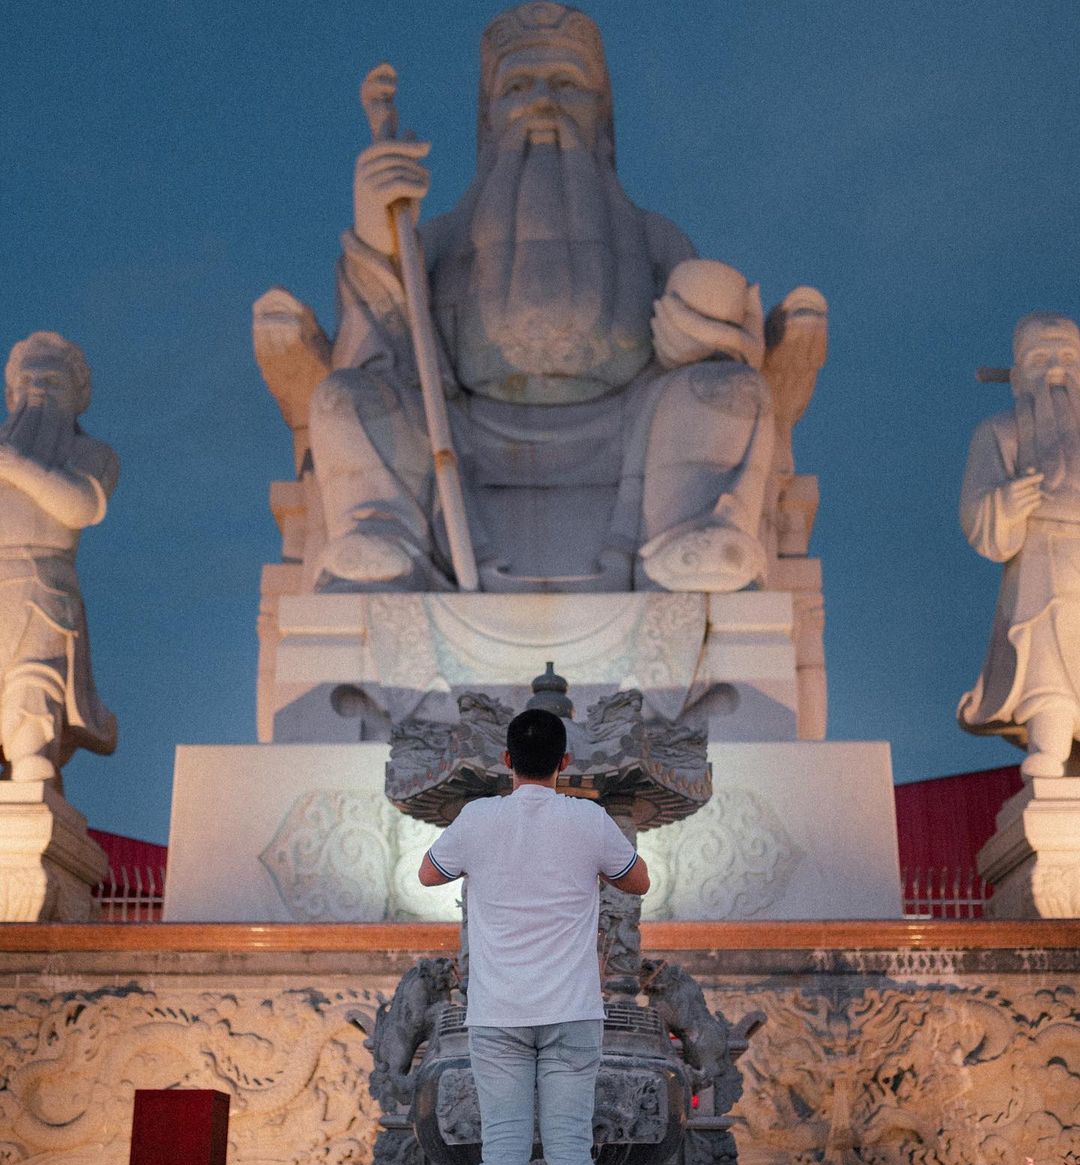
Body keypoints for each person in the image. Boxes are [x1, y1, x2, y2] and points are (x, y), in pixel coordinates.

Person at [254, 2, 826, 595]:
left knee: (728, 392)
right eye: (519, 87)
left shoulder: (655, 237)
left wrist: (702, 339)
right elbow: (383, 345)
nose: (543, 101)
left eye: (567, 86)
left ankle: (693, 536)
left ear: (602, 118)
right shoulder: (442, 241)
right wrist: (378, 234)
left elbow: (719, 347)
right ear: (490, 117)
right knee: (345, 398)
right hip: (464, 437)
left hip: (627, 437)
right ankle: (385, 535)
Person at [418, 706, 649, 1165]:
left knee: (503, 1155)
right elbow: (639, 881)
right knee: (573, 1153)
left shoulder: (478, 818)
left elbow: (428, 873)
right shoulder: (589, 818)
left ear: (506, 762)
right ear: (566, 764)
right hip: (573, 1010)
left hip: (498, 1014)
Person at [958, 312, 1080, 777]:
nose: (1054, 370)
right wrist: (1006, 503)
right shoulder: (1000, 432)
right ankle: (1048, 747)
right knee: (1046, 667)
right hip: (1042, 567)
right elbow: (978, 512)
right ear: (1016, 373)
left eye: (1067, 357)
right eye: (1040, 358)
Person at [0, 332, 118, 784]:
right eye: (27, 378)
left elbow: (80, 506)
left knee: (35, 682)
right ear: (10, 394)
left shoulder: (90, 454)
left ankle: (32, 758)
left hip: (45, 587)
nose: (37, 388)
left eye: (51, 379)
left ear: (79, 395)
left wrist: (18, 467)